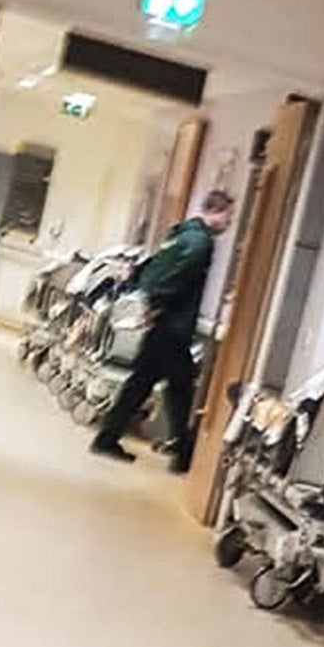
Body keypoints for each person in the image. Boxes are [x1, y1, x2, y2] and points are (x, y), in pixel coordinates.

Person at [89, 189, 234, 471]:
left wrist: (151, 300)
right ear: (215, 212)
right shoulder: (199, 242)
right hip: (173, 325)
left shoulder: (180, 233)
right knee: (162, 385)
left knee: (166, 385)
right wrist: (160, 303)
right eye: (228, 216)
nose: (229, 223)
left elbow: (156, 268)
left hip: (167, 323)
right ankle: (172, 450)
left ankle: (176, 448)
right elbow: (180, 276)